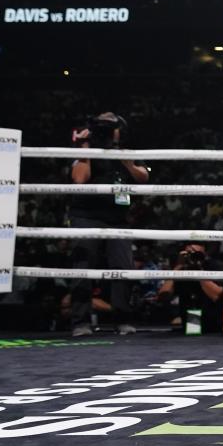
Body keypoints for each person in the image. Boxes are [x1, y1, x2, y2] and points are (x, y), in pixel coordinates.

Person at [68, 112, 149, 337]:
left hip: (118, 218)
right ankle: (80, 322)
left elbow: (143, 177)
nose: (105, 130)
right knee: (82, 268)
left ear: (119, 130)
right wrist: (85, 150)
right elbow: (79, 179)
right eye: (101, 126)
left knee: (123, 268)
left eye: (110, 126)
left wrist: (127, 164)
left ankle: (123, 319)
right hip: (86, 215)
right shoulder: (86, 150)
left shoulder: (126, 151)